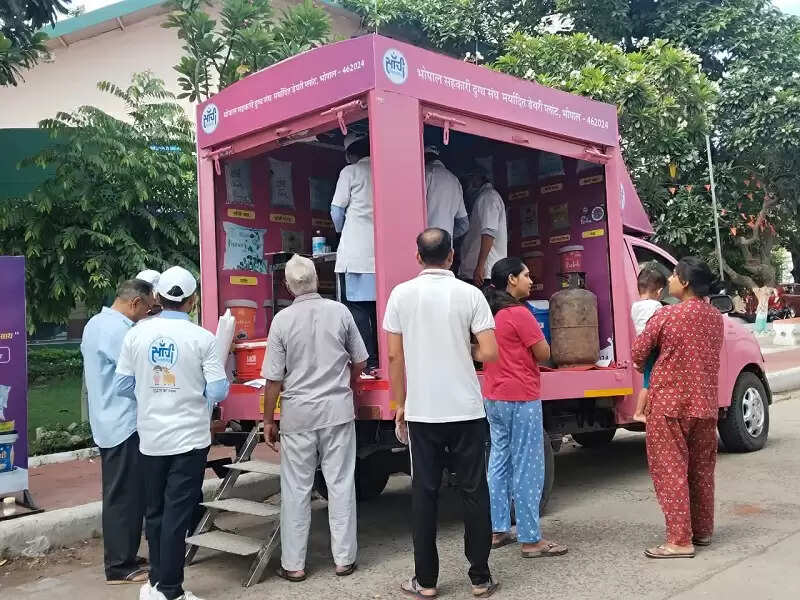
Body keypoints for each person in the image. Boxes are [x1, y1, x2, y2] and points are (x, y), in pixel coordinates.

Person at [384, 227, 501, 598]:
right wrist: (462, 349)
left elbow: (393, 356)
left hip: (423, 412)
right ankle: (480, 577)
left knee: (425, 493)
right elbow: (490, 352)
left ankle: (427, 581)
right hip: (466, 409)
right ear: (451, 256)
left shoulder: (401, 295)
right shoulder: (470, 294)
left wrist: (401, 403)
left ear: (418, 257)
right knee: (473, 491)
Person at [115, 266, 230, 600]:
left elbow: (123, 384)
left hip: (151, 437)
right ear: (192, 301)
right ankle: (171, 590)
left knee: (155, 512)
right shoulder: (202, 338)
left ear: (156, 298)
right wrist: (193, 394)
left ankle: (154, 583)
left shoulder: (136, 334)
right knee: (177, 514)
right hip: (189, 439)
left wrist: (152, 394)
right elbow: (219, 389)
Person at [260, 254, 367, 582]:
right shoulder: (340, 312)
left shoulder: (281, 321)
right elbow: (360, 362)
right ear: (317, 279)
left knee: (295, 489)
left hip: (298, 416)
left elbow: (273, 380)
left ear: (287, 286)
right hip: (337, 413)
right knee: (340, 484)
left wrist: (268, 421)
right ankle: (344, 560)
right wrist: (346, 386)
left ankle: (294, 565)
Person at [632, 257, 724, 559]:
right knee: (701, 471)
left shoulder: (666, 315)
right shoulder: (715, 317)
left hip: (669, 404)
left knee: (670, 470)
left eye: (673, 275)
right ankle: (702, 531)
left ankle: (679, 540)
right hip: (705, 404)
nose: (669, 279)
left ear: (684, 283)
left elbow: (638, 353)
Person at [482, 258, 568, 559]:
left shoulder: (489, 313)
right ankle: (531, 539)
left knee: (499, 461)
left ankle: (497, 529)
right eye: (526, 275)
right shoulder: (520, 314)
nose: (531, 281)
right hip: (521, 396)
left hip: (493, 396)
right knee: (528, 465)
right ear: (511, 280)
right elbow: (544, 353)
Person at [81, 279, 156, 586]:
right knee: (123, 496)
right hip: (123, 422)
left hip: (109, 418)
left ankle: (125, 555)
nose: (149, 313)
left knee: (127, 493)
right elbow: (140, 371)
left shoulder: (95, 323)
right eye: (148, 307)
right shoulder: (119, 331)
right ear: (135, 303)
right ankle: (119, 566)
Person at [331, 131, 377, 371]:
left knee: (355, 311)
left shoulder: (349, 172)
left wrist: (341, 231)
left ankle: (364, 364)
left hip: (354, 255)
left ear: (350, 154)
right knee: (379, 309)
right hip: (380, 255)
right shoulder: (384, 170)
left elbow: (336, 210)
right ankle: (378, 361)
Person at [459, 166, 508, 287]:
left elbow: (489, 233)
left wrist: (480, 267)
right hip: (481, 272)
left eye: (469, 180)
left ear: (477, 179)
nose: (467, 185)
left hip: (484, 274)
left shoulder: (488, 197)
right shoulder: (484, 197)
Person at [630, 266, 667, 423]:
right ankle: (638, 412)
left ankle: (645, 410)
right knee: (648, 383)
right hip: (653, 348)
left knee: (648, 380)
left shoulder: (635, 307)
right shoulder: (656, 306)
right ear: (659, 292)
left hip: (642, 346)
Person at [424, 144, 469, 240]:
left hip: (427, 244)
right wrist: (447, 237)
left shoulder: (426, 173)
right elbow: (464, 225)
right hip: (446, 247)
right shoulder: (454, 180)